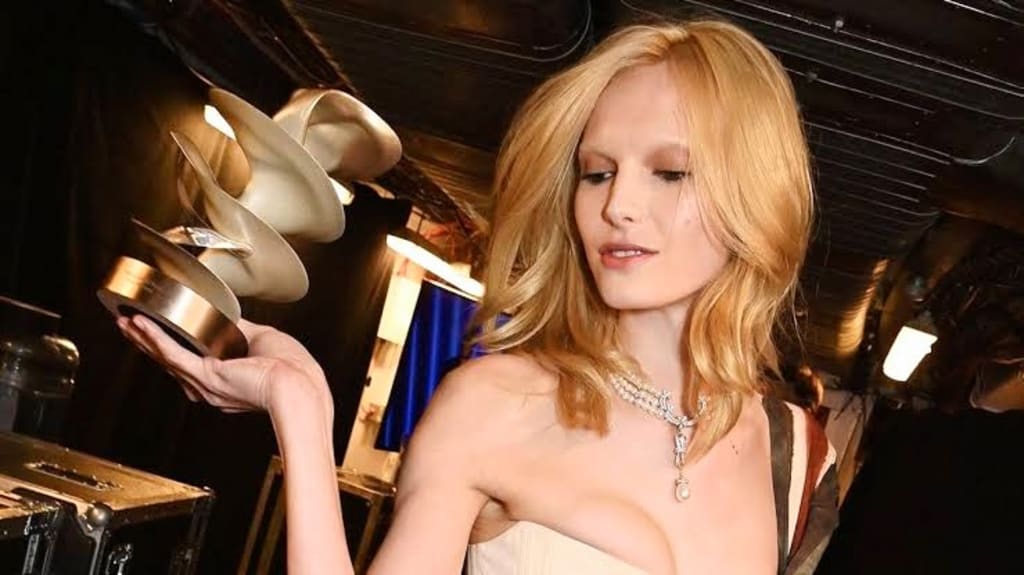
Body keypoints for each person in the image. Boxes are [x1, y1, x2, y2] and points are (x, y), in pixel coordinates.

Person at [119, 18, 838, 575]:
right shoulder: (494, 404)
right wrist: (300, 407)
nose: (618, 205)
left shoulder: (796, 454)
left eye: (670, 173)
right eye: (597, 172)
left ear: (753, 192)